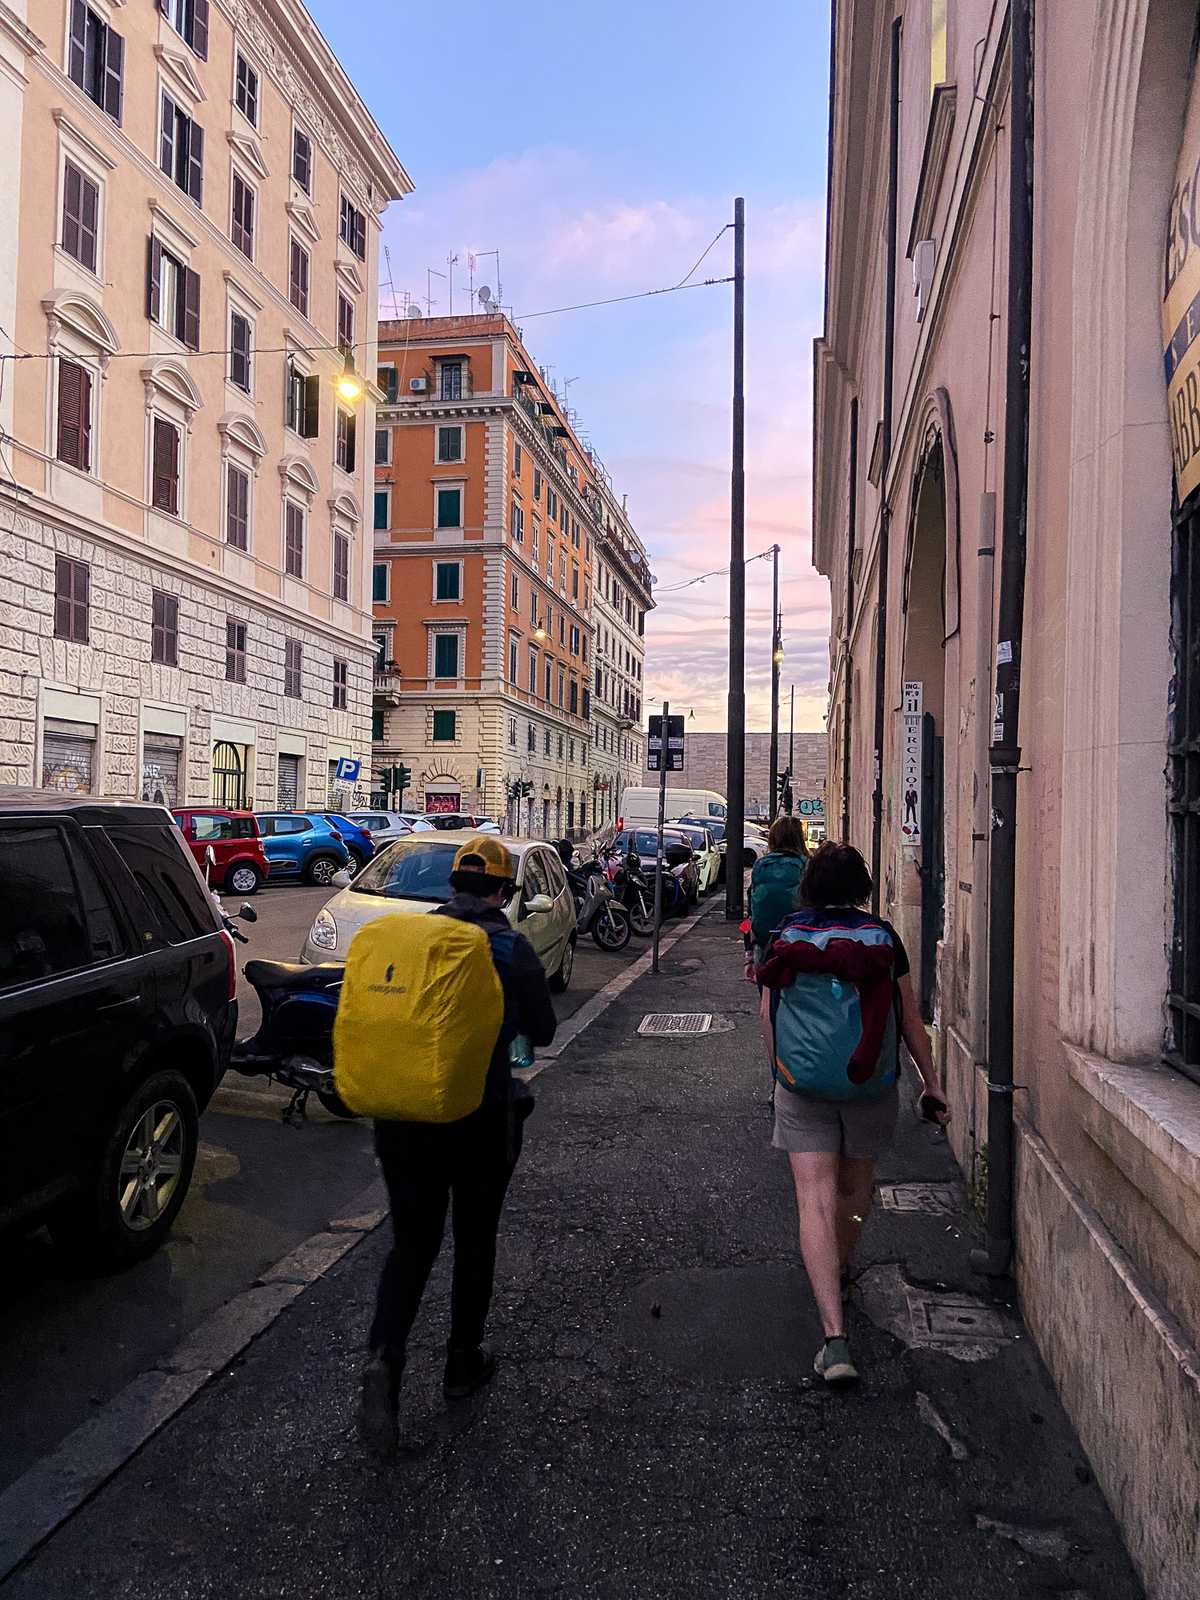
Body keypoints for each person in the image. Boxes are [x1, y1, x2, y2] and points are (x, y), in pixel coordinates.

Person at [358, 837, 557, 1452]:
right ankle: (461, 1362)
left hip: (404, 1115)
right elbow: (543, 1030)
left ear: (454, 885)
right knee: (474, 1240)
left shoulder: (415, 939)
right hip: (479, 1116)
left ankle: (385, 1361)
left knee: (411, 1244)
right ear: (503, 891)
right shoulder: (509, 946)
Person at [757, 841, 949, 1387]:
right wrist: (931, 1085)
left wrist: (781, 1072)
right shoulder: (883, 937)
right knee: (856, 1197)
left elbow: (768, 1014)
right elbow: (911, 1022)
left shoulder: (787, 935)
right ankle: (839, 1265)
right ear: (862, 888)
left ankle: (834, 1337)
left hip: (803, 1085)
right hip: (871, 1087)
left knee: (812, 1202)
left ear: (809, 887)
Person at [747, 815, 811, 971]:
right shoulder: (807, 864)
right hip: (797, 937)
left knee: (767, 983)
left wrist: (748, 952)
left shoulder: (761, 864)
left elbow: (750, 912)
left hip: (763, 937)